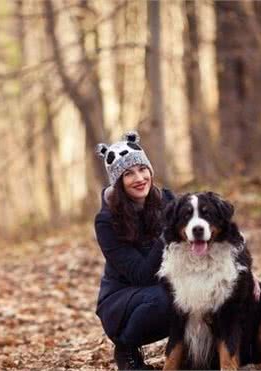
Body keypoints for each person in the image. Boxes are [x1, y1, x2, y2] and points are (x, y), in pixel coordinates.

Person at [94, 131, 176, 370]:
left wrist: (241, 270)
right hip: (123, 302)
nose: (139, 178)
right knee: (169, 298)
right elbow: (140, 275)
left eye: (142, 169)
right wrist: (169, 231)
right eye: (128, 174)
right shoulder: (106, 220)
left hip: (163, 285)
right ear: (118, 182)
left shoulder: (167, 199)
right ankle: (126, 349)